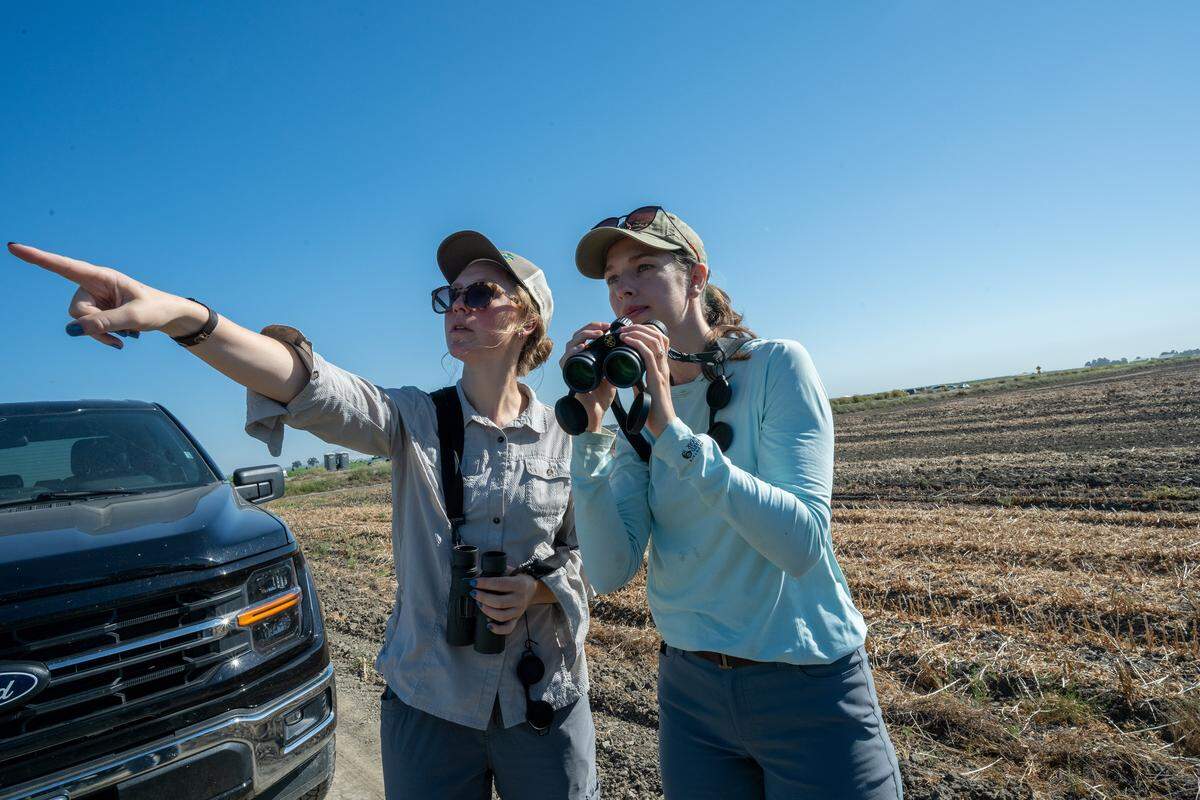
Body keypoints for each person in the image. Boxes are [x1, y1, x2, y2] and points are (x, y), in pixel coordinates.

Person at [8, 233, 598, 800]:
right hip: (431, 701)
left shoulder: (571, 435)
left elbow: (595, 553)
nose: (457, 308)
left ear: (528, 320)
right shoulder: (415, 419)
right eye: (450, 297)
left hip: (543, 695)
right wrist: (182, 317)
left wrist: (536, 590)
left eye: (480, 294)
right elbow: (310, 384)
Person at [560, 207, 902, 799]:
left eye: (644, 267)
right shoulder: (637, 414)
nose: (625, 289)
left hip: (806, 681)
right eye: (613, 278)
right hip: (692, 693)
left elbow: (801, 545)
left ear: (696, 277)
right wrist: (590, 438)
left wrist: (677, 438)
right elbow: (611, 572)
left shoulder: (774, 366)